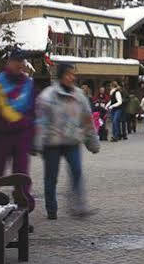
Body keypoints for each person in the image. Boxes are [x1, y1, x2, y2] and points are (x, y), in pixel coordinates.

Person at [34, 62, 100, 219]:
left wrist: (92, 142)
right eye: (68, 74)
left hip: (72, 141)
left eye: (73, 74)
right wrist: (37, 143)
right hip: (52, 143)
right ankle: (51, 210)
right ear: (61, 76)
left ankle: (79, 207)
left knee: (77, 172)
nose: (72, 77)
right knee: (51, 177)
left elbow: (87, 120)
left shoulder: (79, 96)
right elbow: (40, 121)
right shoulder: (48, 96)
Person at [0, 48, 36, 211]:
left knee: (22, 178)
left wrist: (33, 136)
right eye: (17, 61)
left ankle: (23, 213)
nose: (20, 65)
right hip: (0, 137)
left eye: (22, 62)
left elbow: (32, 111)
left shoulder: (28, 84)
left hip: (21, 137)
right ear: (9, 62)